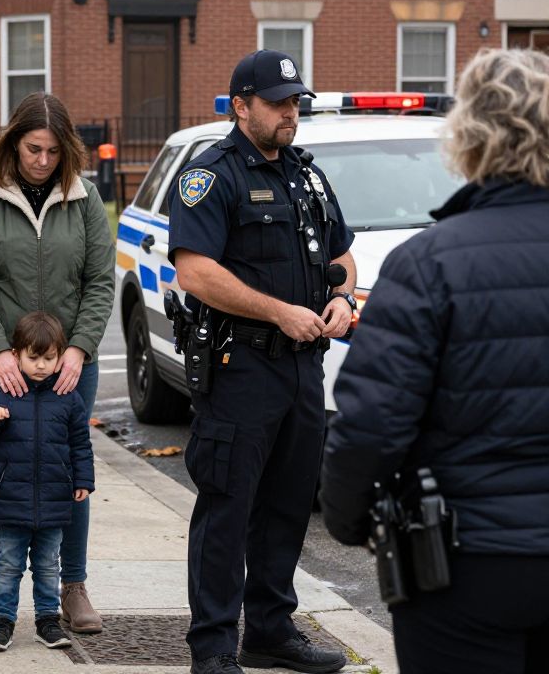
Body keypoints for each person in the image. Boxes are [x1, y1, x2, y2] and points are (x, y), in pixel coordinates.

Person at [321, 48, 549, 674]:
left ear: (468, 136)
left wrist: (349, 520)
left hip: (465, 563)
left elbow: (371, 423)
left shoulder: (428, 264)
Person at [168, 50, 356, 674]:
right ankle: (214, 648)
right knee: (227, 508)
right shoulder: (211, 175)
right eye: (276, 103)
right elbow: (194, 270)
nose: (289, 113)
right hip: (240, 367)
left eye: (294, 102)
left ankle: (271, 631)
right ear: (240, 106)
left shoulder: (306, 175)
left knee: (288, 504)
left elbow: (342, 254)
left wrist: (342, 297)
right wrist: (278, 312)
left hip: (303, 367)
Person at [0, 90, 115, 636]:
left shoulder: (84, 199)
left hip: (70, 367)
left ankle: (73, 585)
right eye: (32, 149)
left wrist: (79, 348)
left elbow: (99, 281)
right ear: (13, 144)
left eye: (52, 151)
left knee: (70, 471)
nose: (42, 161)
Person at [0, 311, 95, 652]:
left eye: (49, 358)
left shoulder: (68, 396)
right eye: (33, 357)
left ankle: (47, 621)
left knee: (48, 566)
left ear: (60, 356)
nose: (40, 365)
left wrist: (83, 479)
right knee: (8, 565)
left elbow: (80, 443)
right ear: (16, 354)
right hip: (11, 497)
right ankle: (3, 622)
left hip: (54, 499)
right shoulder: (1, 389)